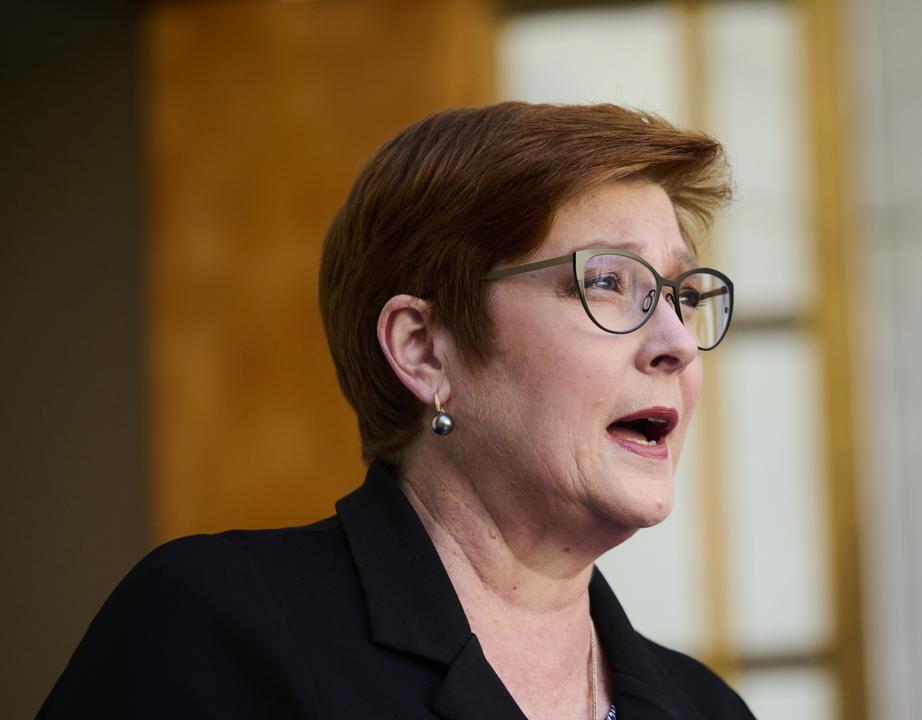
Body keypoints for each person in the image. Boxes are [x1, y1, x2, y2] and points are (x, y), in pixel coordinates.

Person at [39, 102, 752, 719]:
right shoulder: (216, 629)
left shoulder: (706, 707)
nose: (678, 345)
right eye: (607, 282)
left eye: (684, 296)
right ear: (423, 351)